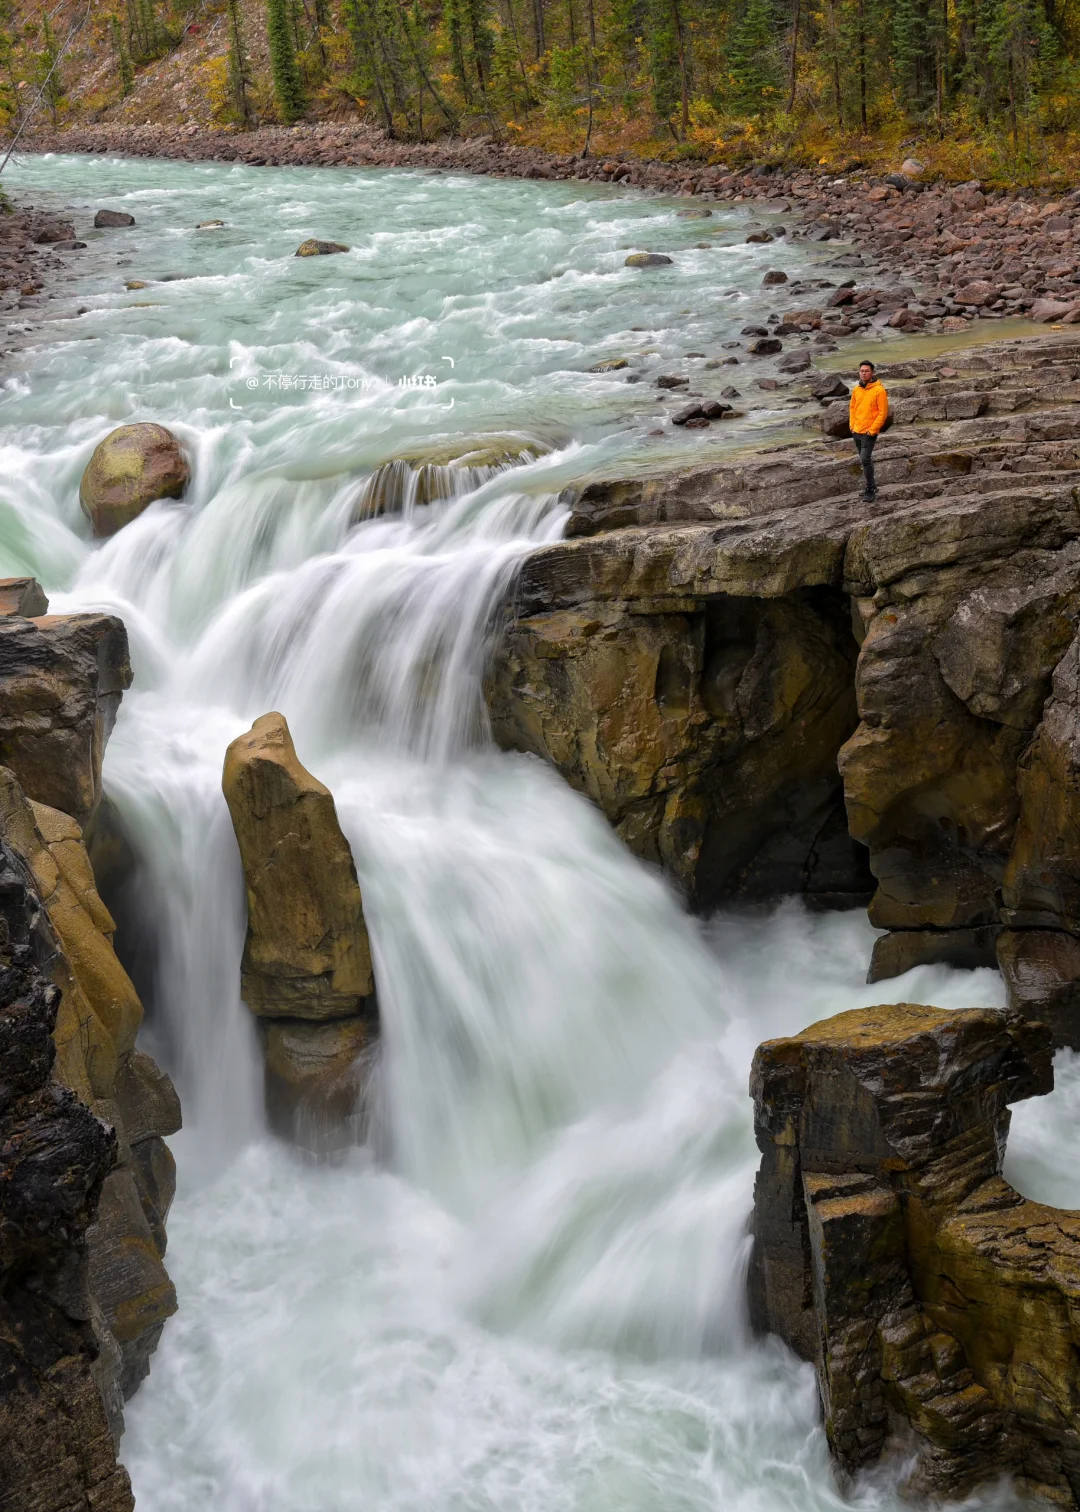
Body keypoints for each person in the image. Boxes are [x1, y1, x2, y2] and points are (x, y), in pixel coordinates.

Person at [848, 360, 888, 503]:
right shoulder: (856, 390)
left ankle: (870, 489)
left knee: (865, 459)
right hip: (856, 430)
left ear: (872, 373)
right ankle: (872, 486)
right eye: (861, 371)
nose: (863, 373)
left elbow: (883, 413)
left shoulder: (879, 390)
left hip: (869, 432)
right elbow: (852, 408)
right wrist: (852, 426)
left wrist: (873, 430)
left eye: (866, 371)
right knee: (864, 459)